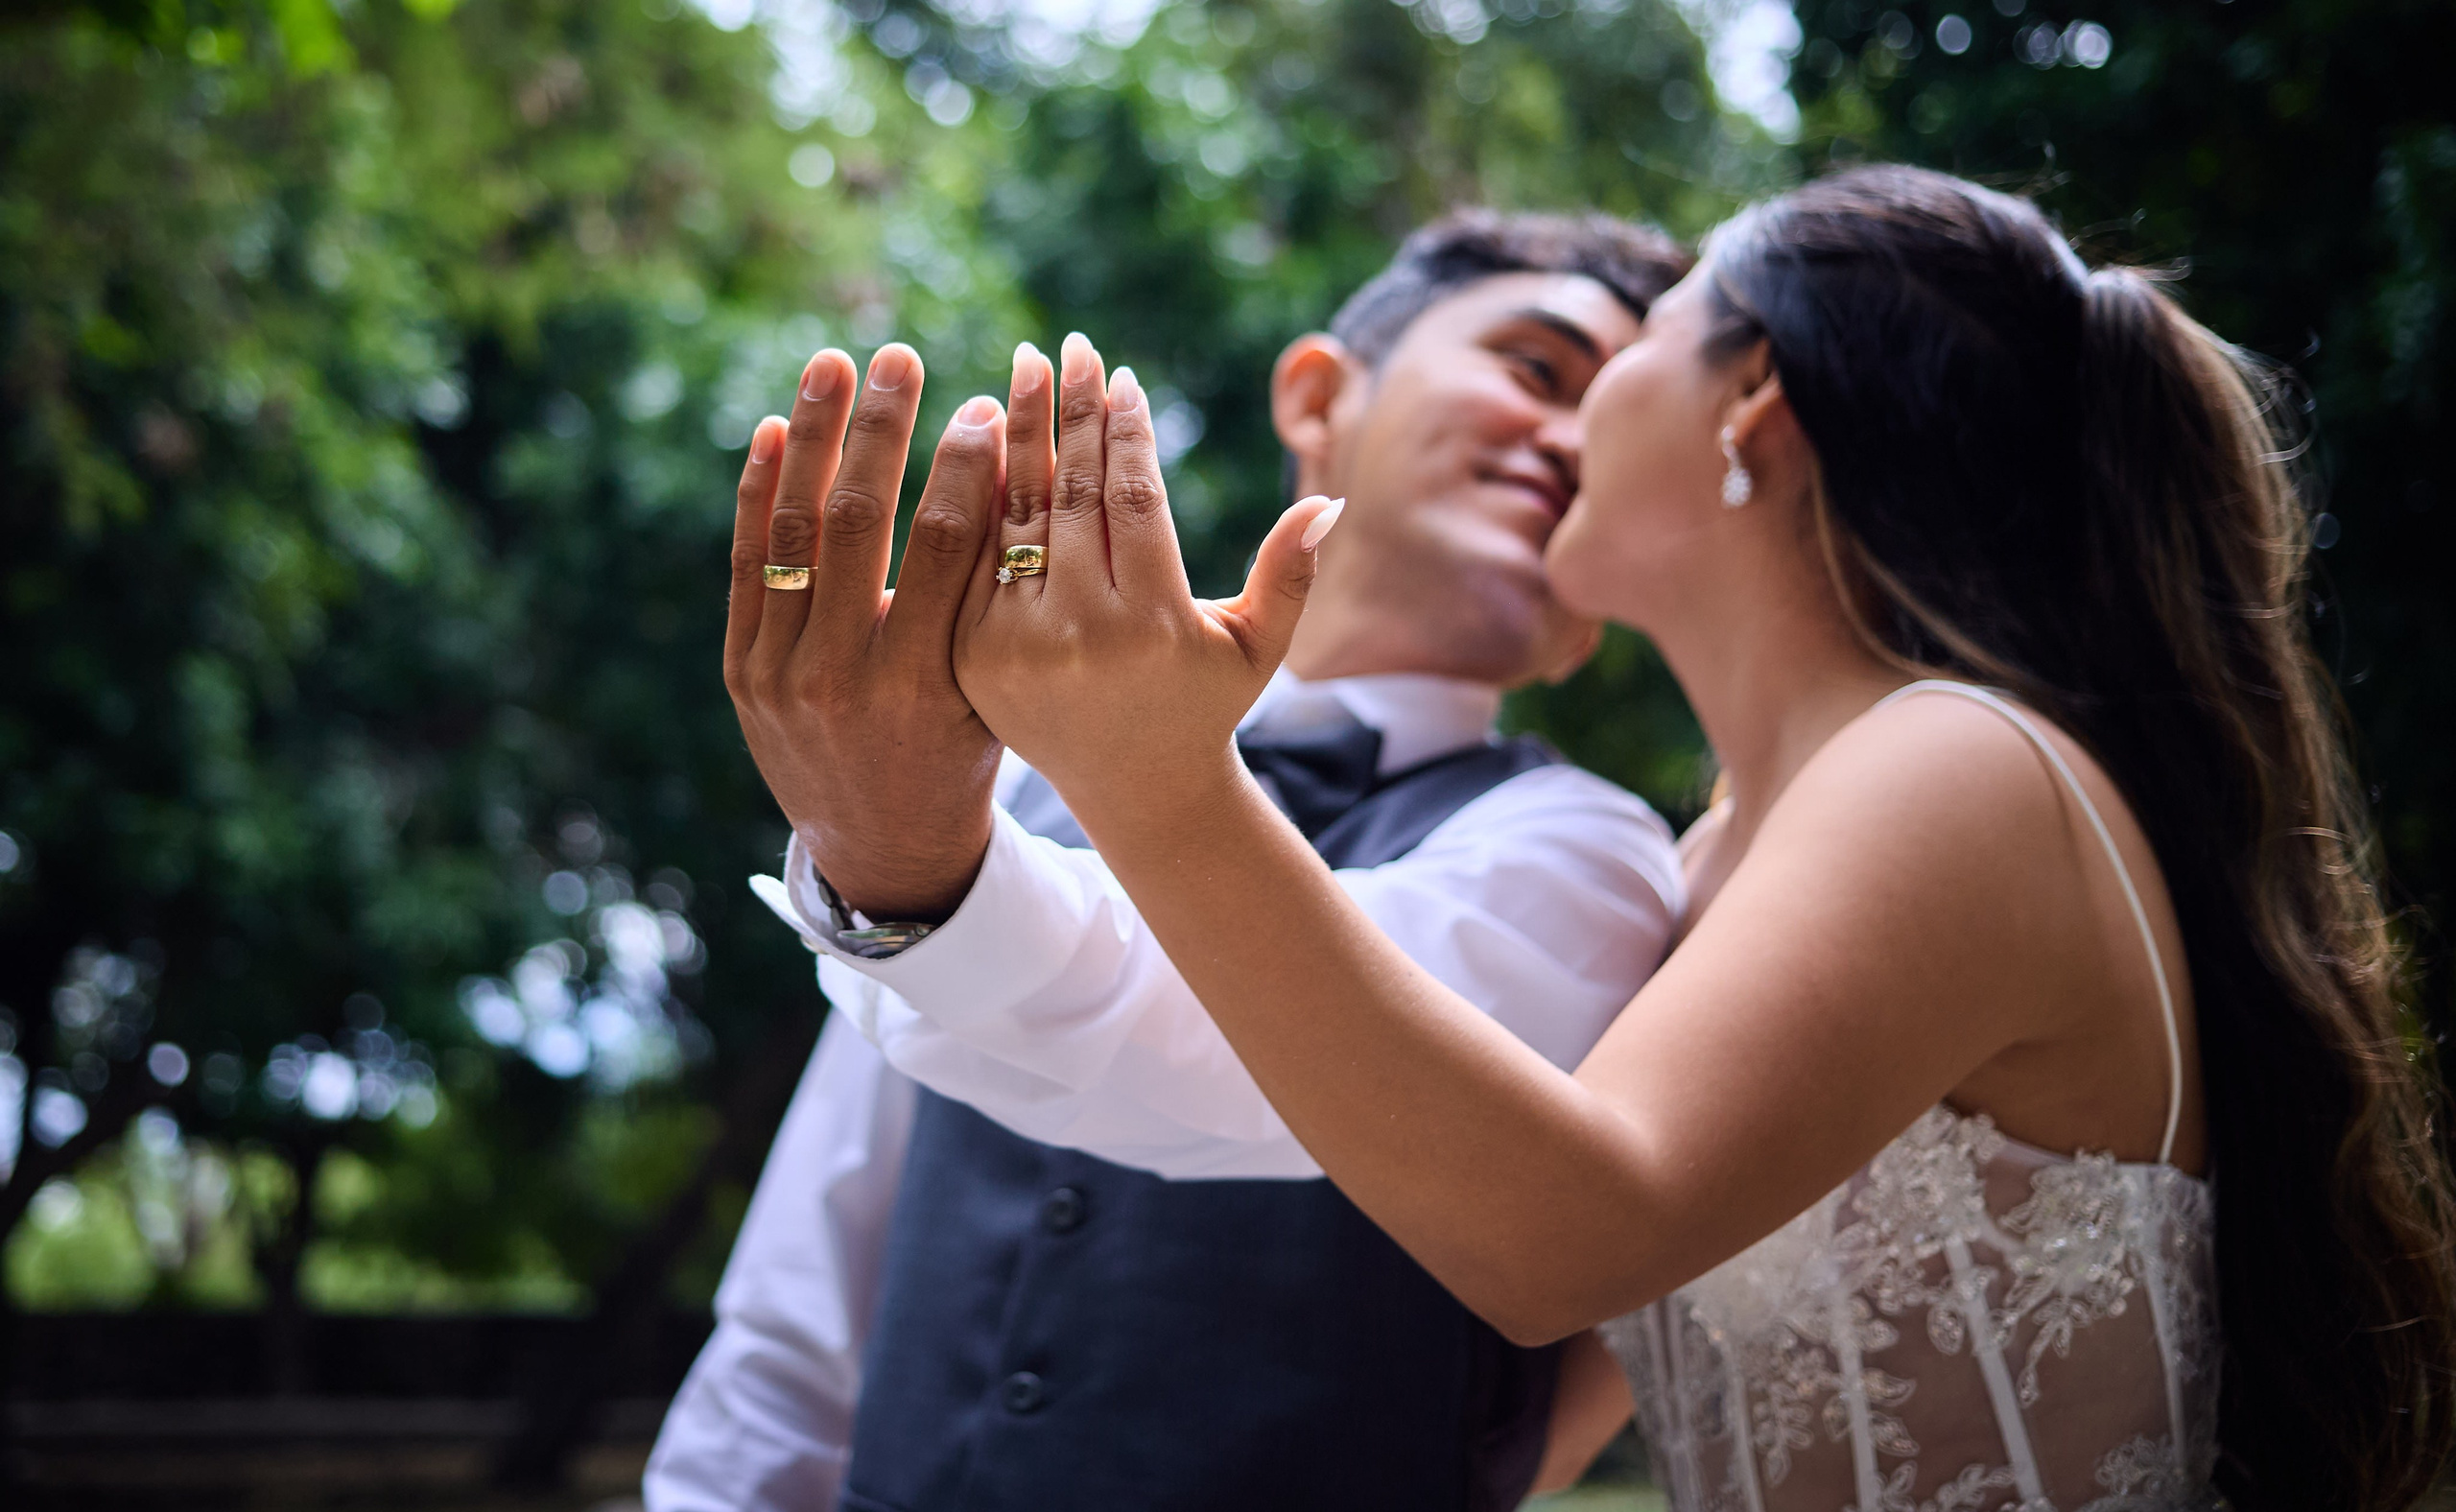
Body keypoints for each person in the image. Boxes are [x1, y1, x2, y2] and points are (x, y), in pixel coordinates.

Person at [825, 166, 2456, 1511]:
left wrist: (1163, 783)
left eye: (1637, 348)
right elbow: (1520, 1372)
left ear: (1751, 404)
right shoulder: (1727, 858)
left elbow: (1559, 1235)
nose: (1574, 419)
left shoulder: (1959, 764)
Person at [646, 213, 1696, 1512]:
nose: (1567, 441)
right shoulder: (1014, 777)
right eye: (1538, 370)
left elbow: (1227, 1046)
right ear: (1317, 393)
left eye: (1617, 434)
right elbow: (807, 1282)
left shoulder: (1597, 857)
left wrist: (918, 868)